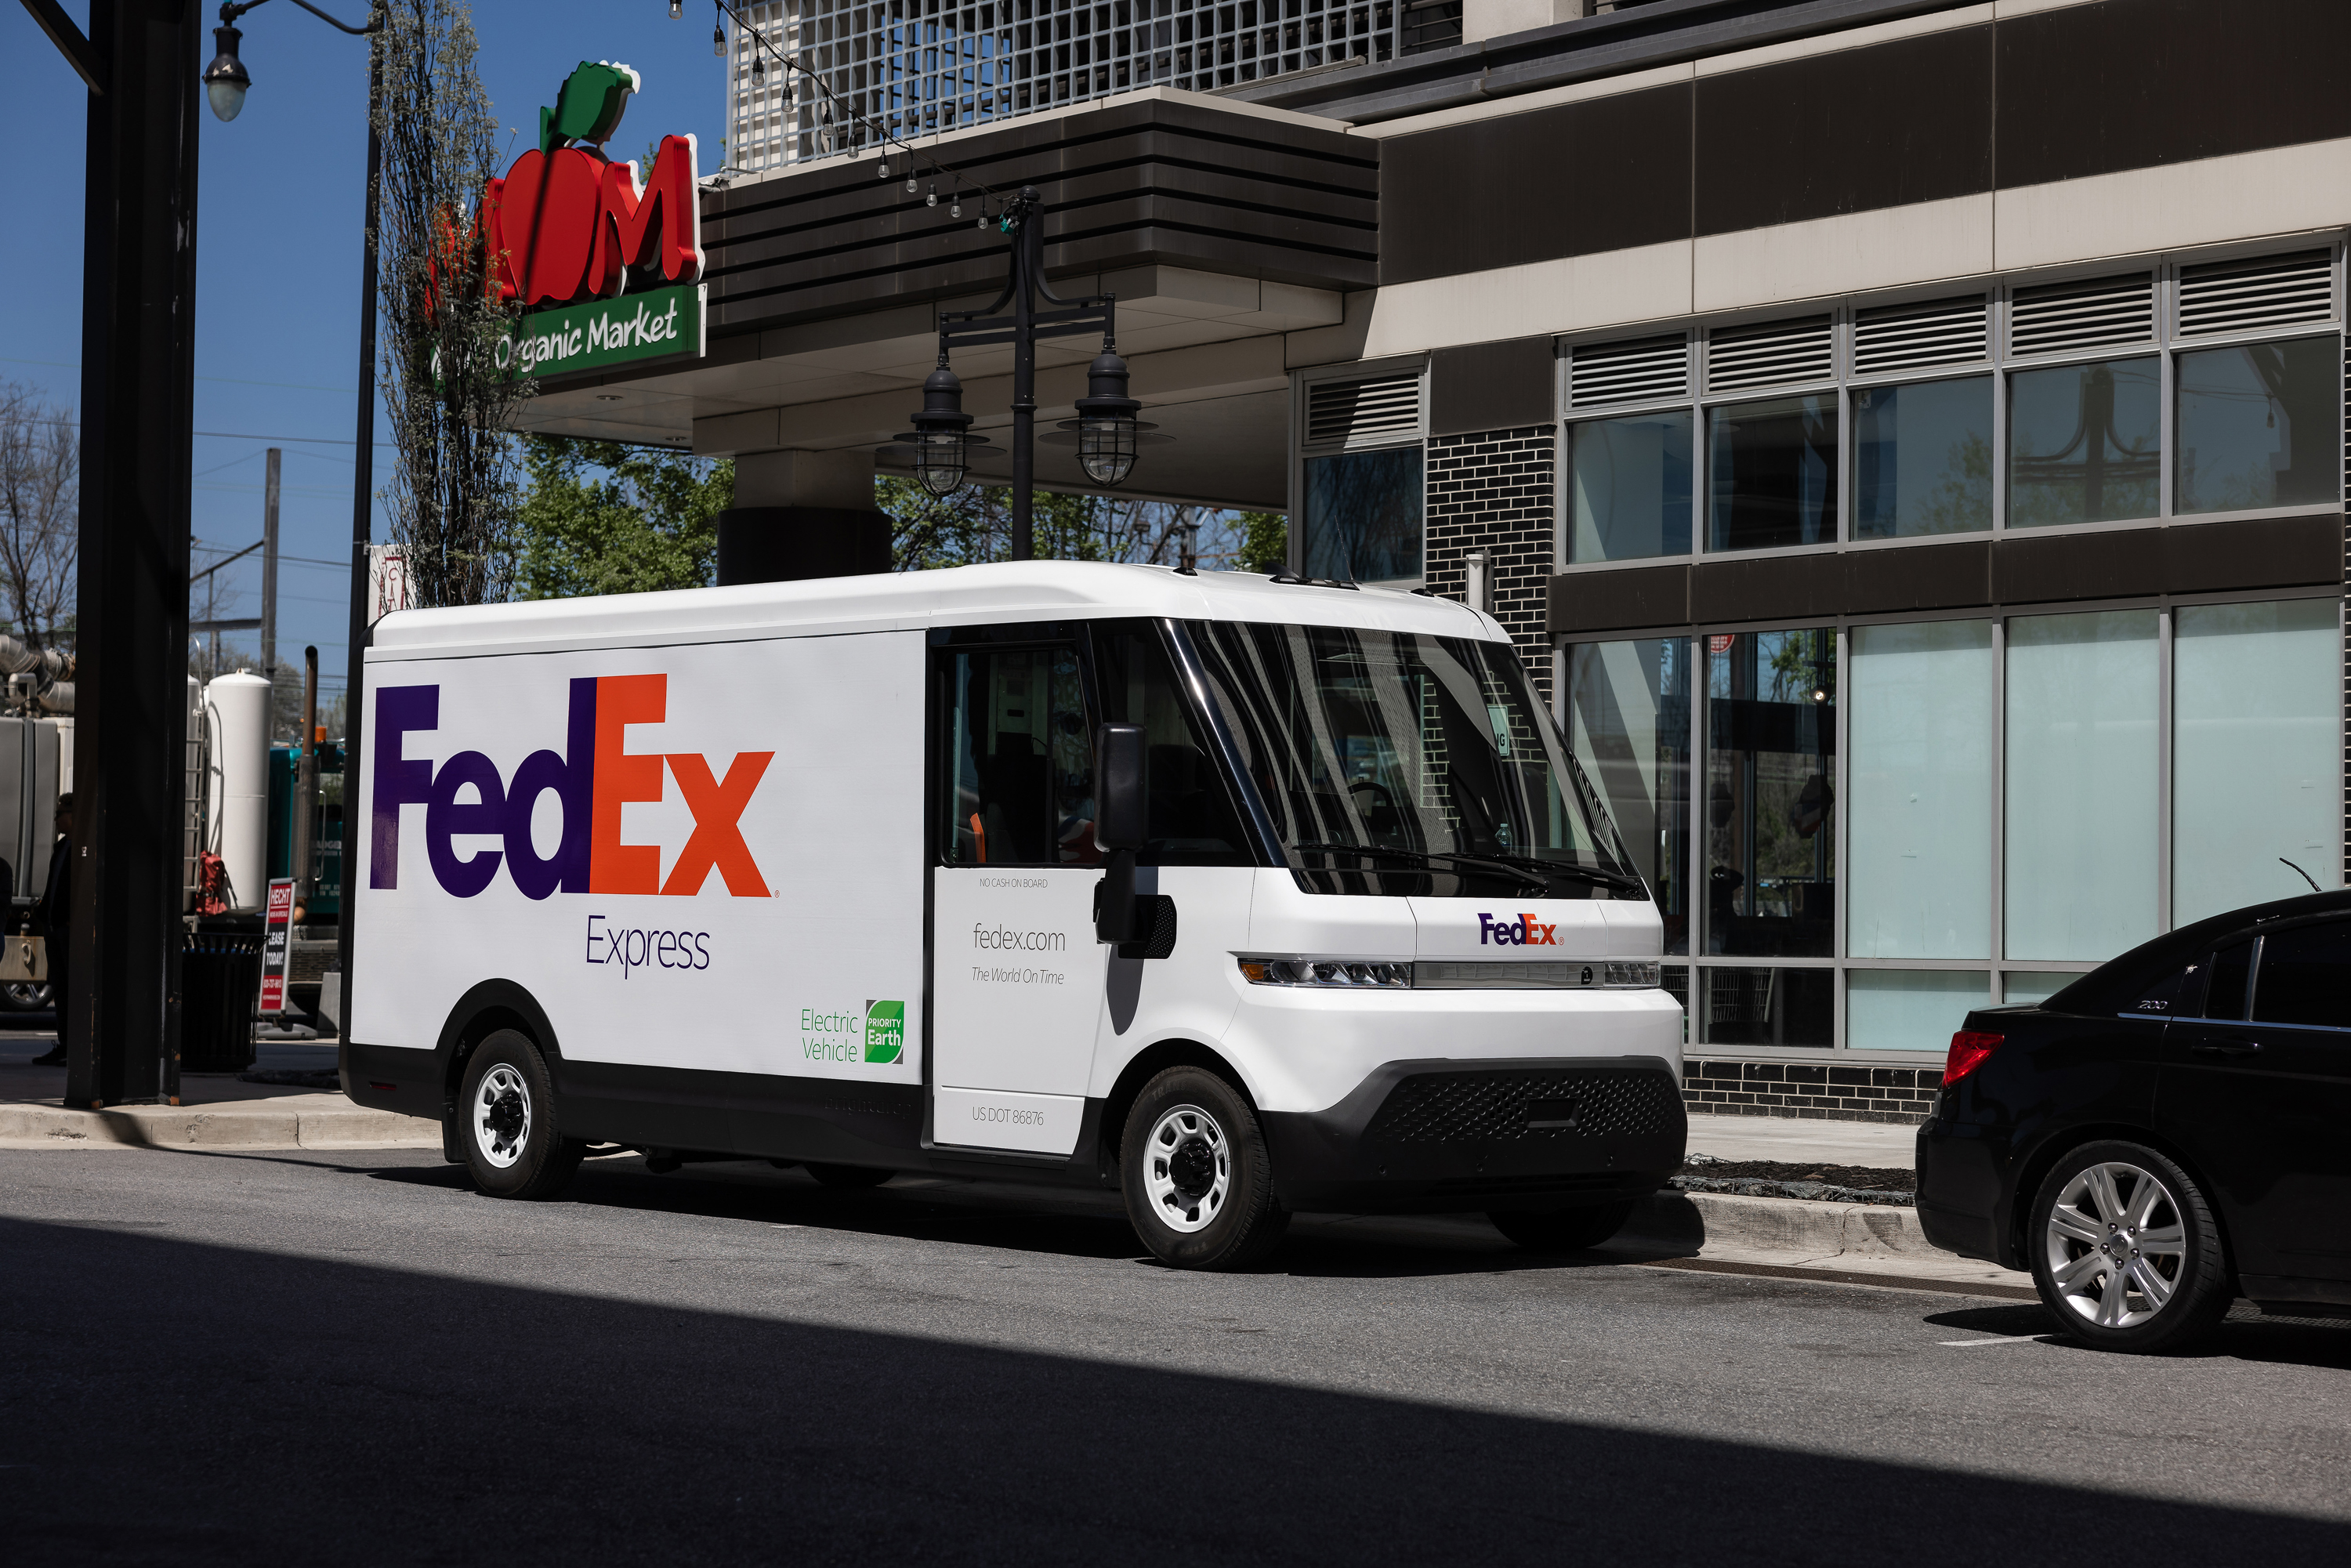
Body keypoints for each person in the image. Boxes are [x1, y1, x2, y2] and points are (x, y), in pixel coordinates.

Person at [29, 793, 71, 1067]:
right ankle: (65, 1044)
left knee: (72, 988)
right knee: (61, 988)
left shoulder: (83, 848)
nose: (55, 819)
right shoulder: (62, 847)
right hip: (55, 927)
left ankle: (73, 1046)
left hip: (67, 928)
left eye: (60, 813)